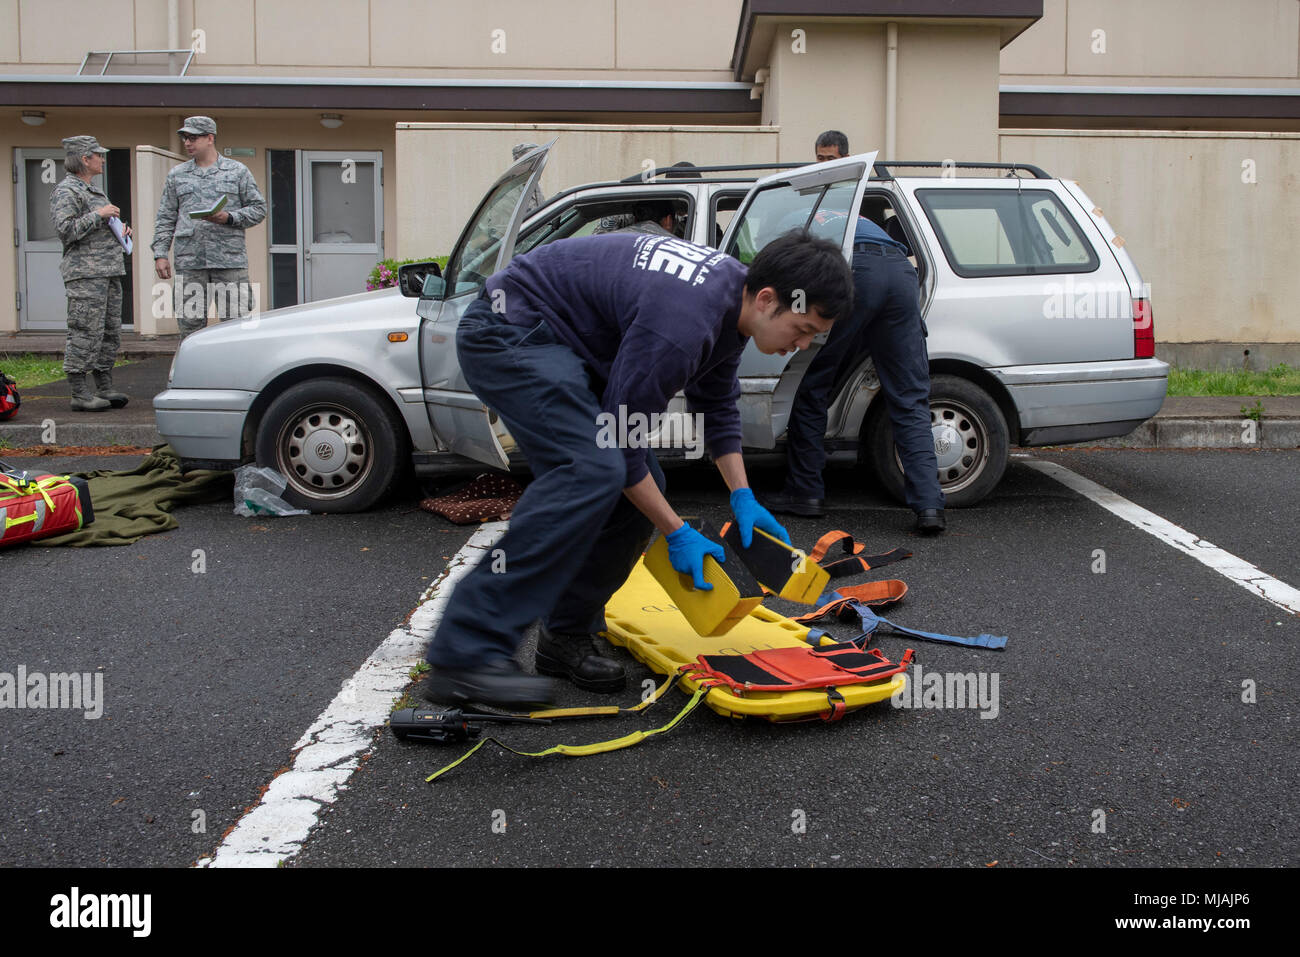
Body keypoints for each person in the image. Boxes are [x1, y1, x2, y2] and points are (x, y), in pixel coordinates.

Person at [423, 230, 854, 708]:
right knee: (592, 469)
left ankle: (566, 634)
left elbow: (717, 402)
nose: (800, 345)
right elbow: (621, 447)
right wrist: (675, 531)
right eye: (802, 330)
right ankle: (467, 653)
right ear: (769, 299)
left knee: (634, 491)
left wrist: (742, 495)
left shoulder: (736, 297)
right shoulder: (680, 323)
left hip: (563, 345)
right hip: (510, 332)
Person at [766, 131, 946, 534]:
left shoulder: (800, 215)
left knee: (812, 385)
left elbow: (776, 266)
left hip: (854, 271)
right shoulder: (858, 213)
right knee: (909, 397)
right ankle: (929, 506)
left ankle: (805, 493)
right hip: (900, 274)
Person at [152, 116, 266, 338]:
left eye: (193, 138)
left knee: (237, 324)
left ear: (210, 138)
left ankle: (237, 373)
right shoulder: (177, 175)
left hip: (229, 261)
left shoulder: (237, 171)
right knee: (189, 325)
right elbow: (165, 216)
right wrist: (160, 253)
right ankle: (195, 372)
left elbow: (259, 209)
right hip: (190, 262)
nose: (187, 143)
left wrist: (230, 217)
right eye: (185, 138)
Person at [49, 135, 131, 412]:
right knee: (85, 331)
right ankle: (80, 393)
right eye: (98, 155)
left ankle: (104, 386)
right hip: (85, 274)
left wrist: (120, 229)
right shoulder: (67, 191)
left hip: (107, 270)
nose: (103, 159)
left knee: (109, 332)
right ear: (85, 159)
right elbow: (65, 230)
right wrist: (99, 215)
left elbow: (98, 224)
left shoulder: (94, 190)